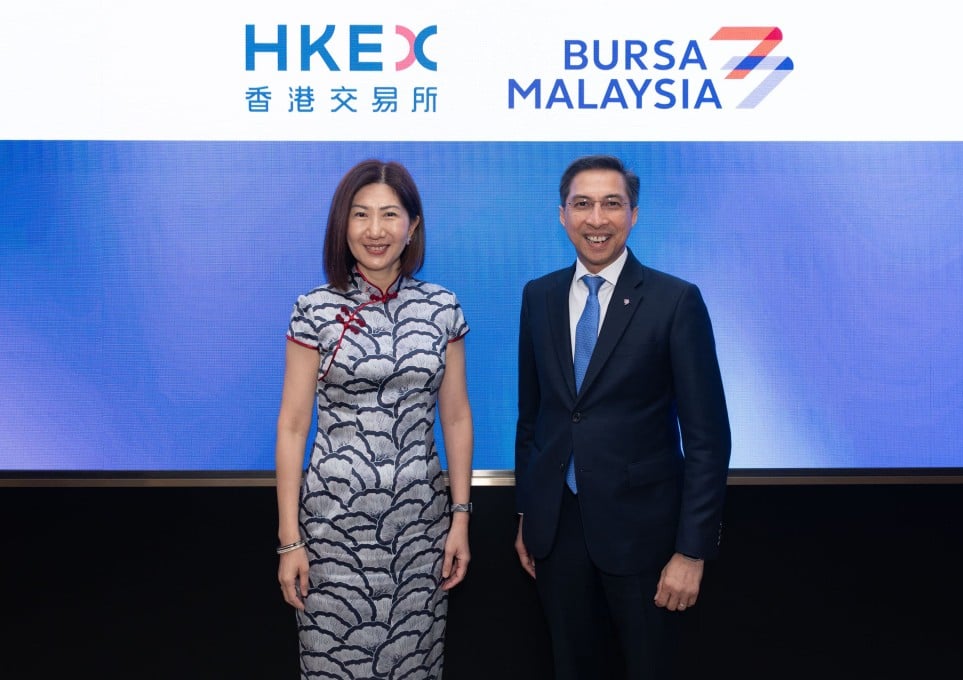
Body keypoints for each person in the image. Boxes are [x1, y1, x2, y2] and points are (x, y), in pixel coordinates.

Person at [513, 154, 731, 679]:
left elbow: (708, 438)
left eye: (612, 204)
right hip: (556, 533)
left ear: (634, 215)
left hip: (646, 541)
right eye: (582, 204)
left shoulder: (675, 301)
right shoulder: (538, 296)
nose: (596, 218)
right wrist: (528, 514)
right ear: (561, 215)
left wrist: (692, 551)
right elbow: (532, 417)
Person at [275, 159, 474, 680]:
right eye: (360, 215)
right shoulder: (314, 310)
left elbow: (455, 417)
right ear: (343, 227)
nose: (375, 230)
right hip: (332, 532)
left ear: (412, 226)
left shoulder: (443, 308)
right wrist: (290, 540)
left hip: (421, 531)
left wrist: (461, 518)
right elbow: (294, 425)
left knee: (416, 666)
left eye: (390, 214)